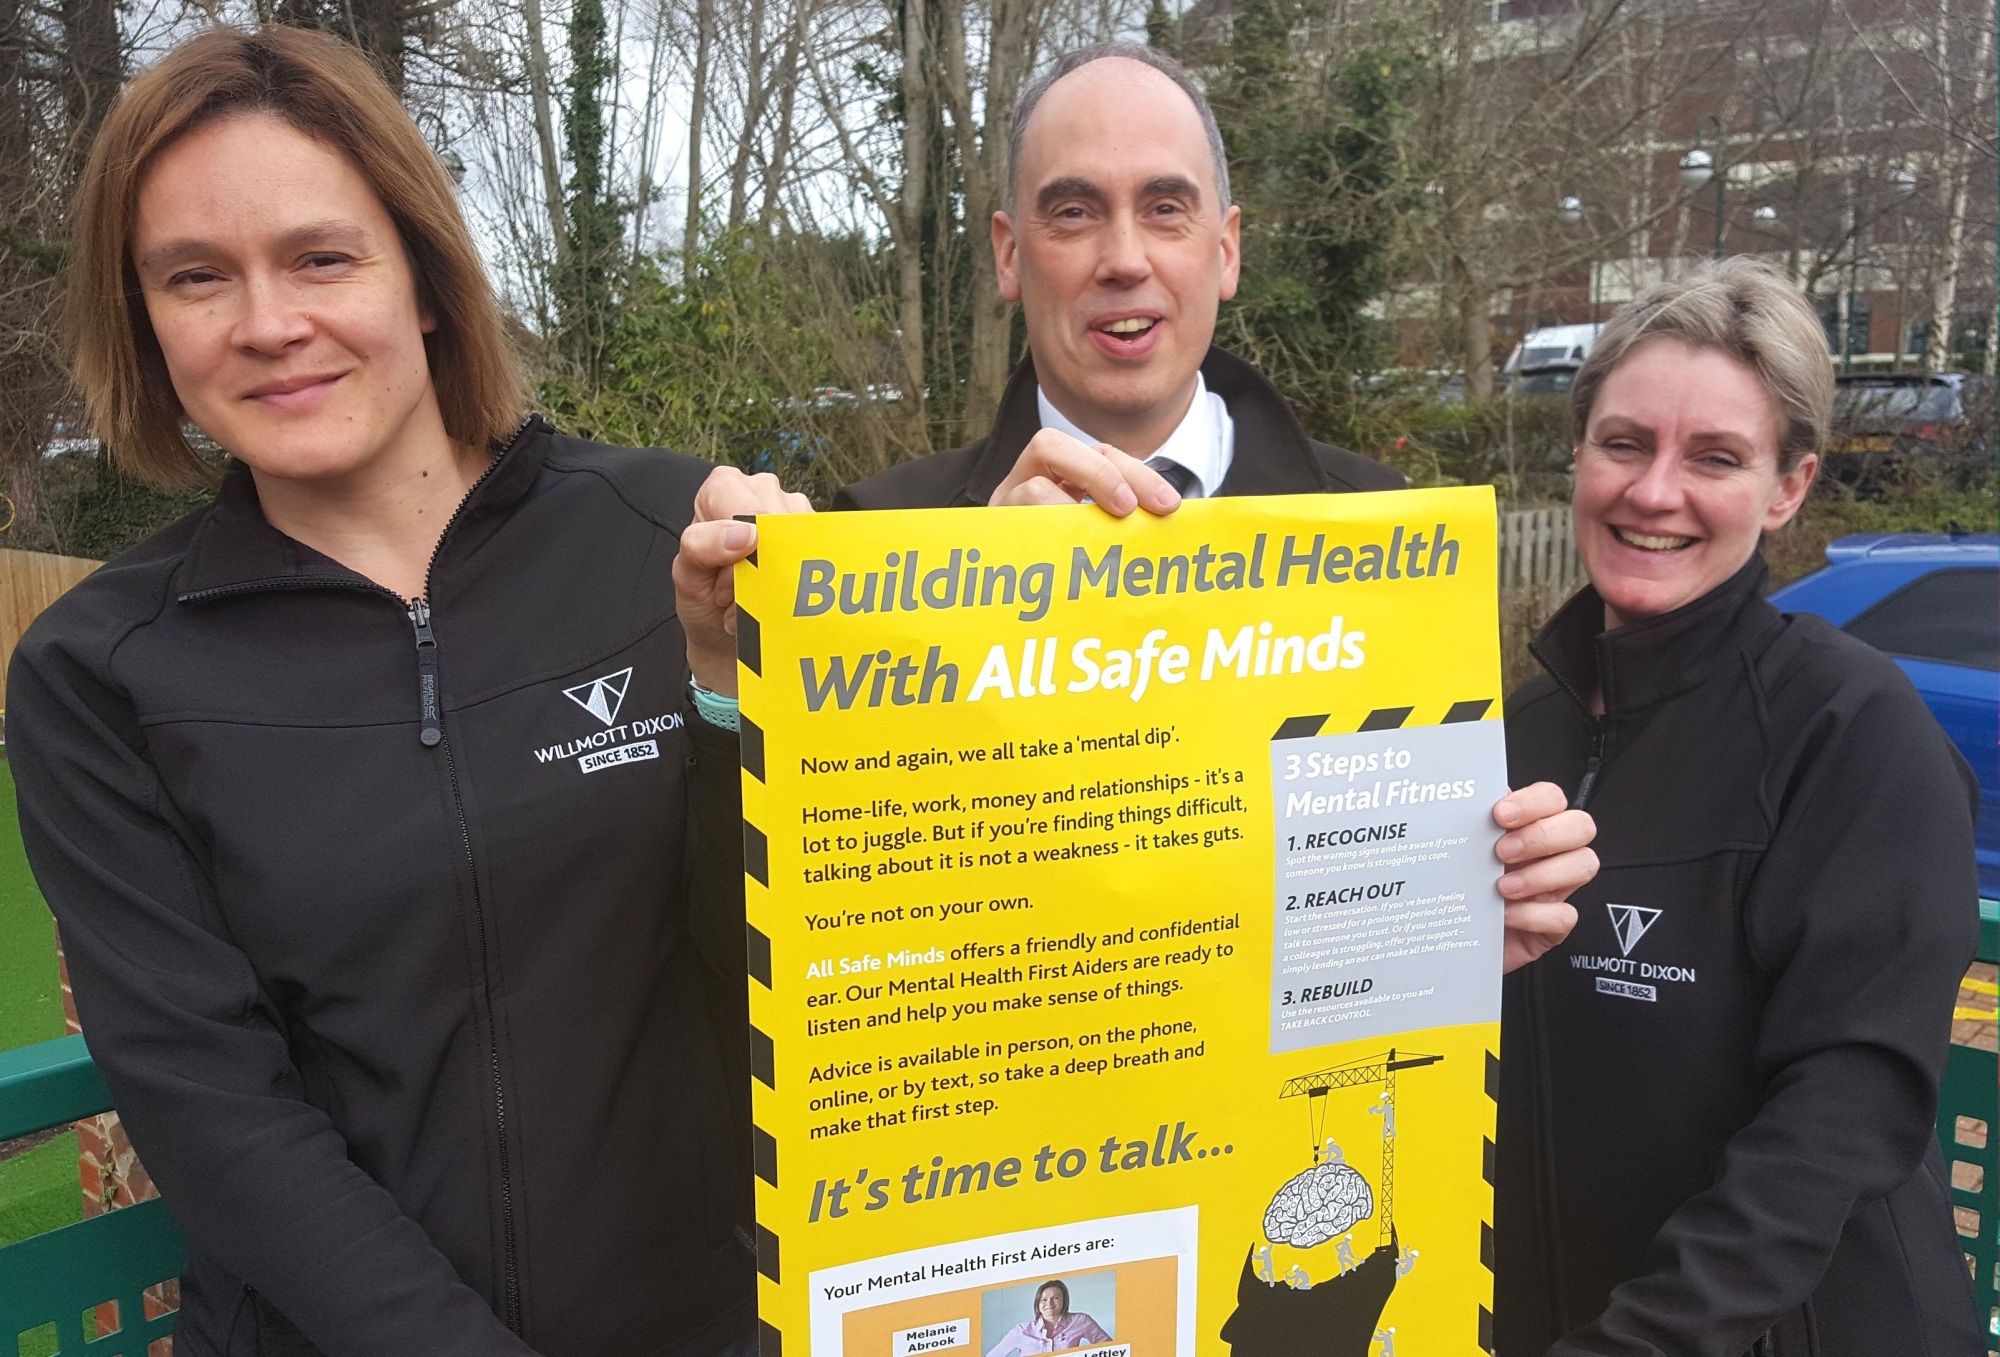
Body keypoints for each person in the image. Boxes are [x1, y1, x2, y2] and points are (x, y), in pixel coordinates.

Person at [14, 26, 786, 1356]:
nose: (269, 324)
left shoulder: (672, 538)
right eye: (196, 277)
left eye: (321, 255)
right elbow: (223, 1120)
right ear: (145, 320)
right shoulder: (101, 671)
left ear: (424, 277)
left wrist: (732, 688)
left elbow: (786, 973)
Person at [836, 43, 1596, 967]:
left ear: (1225, 249)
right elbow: (815, 952)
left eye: (1166, 209)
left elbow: (1380, 928)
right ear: (1007, 254)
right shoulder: (871, 544)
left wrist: (1465, 923)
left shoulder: (1388, 537)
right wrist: (956, 626)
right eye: (1073, 213)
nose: (1124, 259)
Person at [1494, 259, 1984, 1355]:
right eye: (1623, 443)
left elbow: (1840, 1111)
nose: (1653, 491)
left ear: (1786, 489)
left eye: (1713, 457)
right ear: (1575, 453)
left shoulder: (1852, 731)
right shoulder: (1520, 729)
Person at [985, 1279, 1112, 1356]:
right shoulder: (1021, 1330)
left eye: (1055, 1298)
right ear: (1037, 1303)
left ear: (1064, 1300)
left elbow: (1110, 1349)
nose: (1049, 1303)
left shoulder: (1081, 1320)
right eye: (1044, 1300)